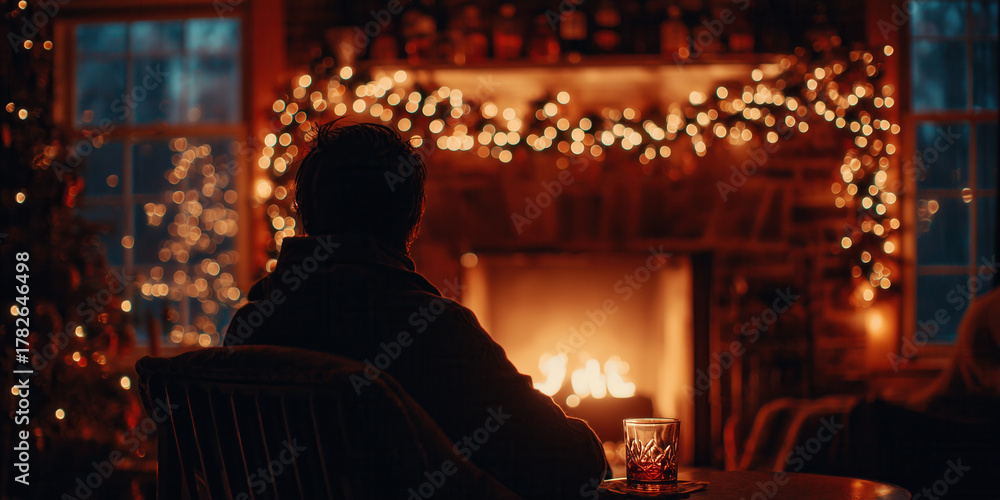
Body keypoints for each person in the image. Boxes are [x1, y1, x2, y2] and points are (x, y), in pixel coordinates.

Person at [223, 120, 608, 499]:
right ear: (413, 220)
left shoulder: (251, 328)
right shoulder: (436, 331)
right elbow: (570, 462)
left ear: (304, 213)